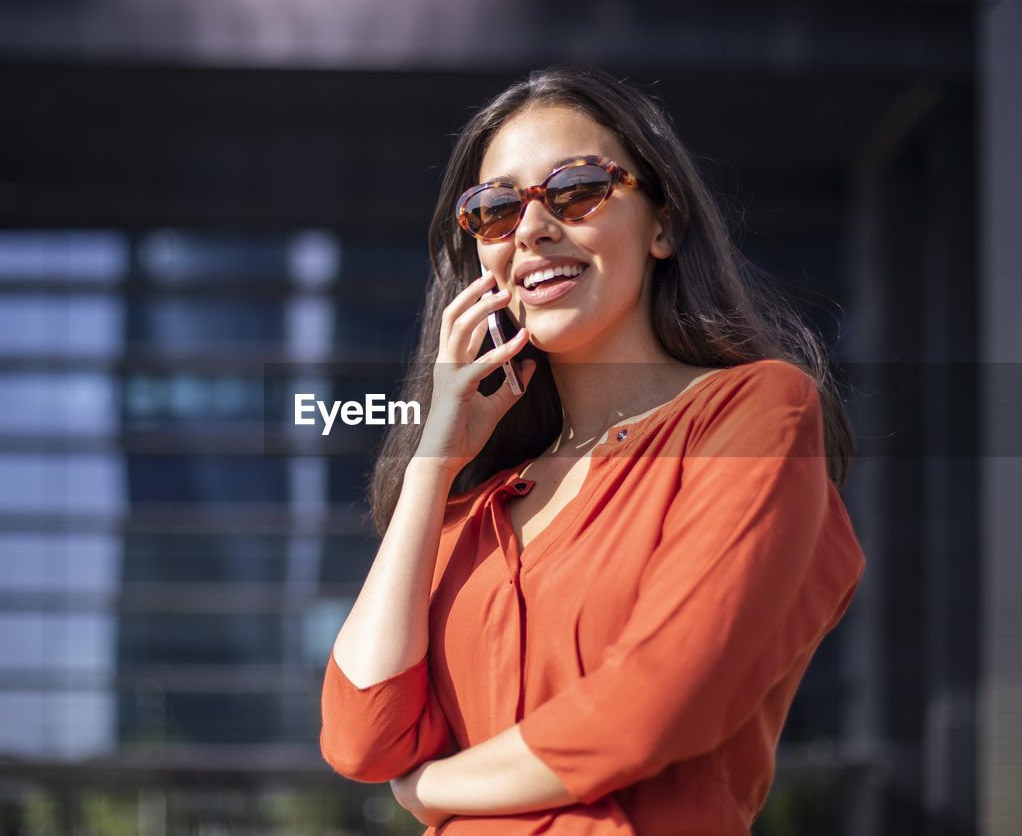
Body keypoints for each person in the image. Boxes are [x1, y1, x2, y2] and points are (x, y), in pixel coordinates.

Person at [320, 65, 865, 834]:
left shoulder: (752, 413)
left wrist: (436, 786)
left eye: (576, 189)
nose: (533, 230)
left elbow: (654, 704)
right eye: (496, 209)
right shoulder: (478, 501)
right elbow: (361, 734)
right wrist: (432, 465)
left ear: (663, 223)